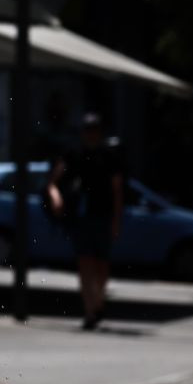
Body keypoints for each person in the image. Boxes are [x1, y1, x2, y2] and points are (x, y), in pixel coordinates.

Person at [46, 112, 124, 330]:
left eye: (94, 130)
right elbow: (53, 181)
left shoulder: (109, 156)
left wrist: (117, 221)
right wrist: (56, 197)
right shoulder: (74, 154)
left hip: (103, 215)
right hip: (81, 216)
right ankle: (90, 311)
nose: (91, 134)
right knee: (85, 263)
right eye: (87, 130)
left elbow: (117, 190)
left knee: (101, 265)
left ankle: (98, 301)